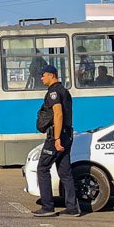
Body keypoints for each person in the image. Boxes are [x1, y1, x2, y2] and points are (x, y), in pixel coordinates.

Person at [33, 66, 80, 217]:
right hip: (68, 134)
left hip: (57, 135)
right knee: (65, 171)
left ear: (51, 75)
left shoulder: (54, 92)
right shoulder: (64, 91)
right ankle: (72, 207)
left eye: (43, 75)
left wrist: (56, 138)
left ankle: (47, 207)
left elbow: (58, 115)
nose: (41, 78)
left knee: (42, 168)